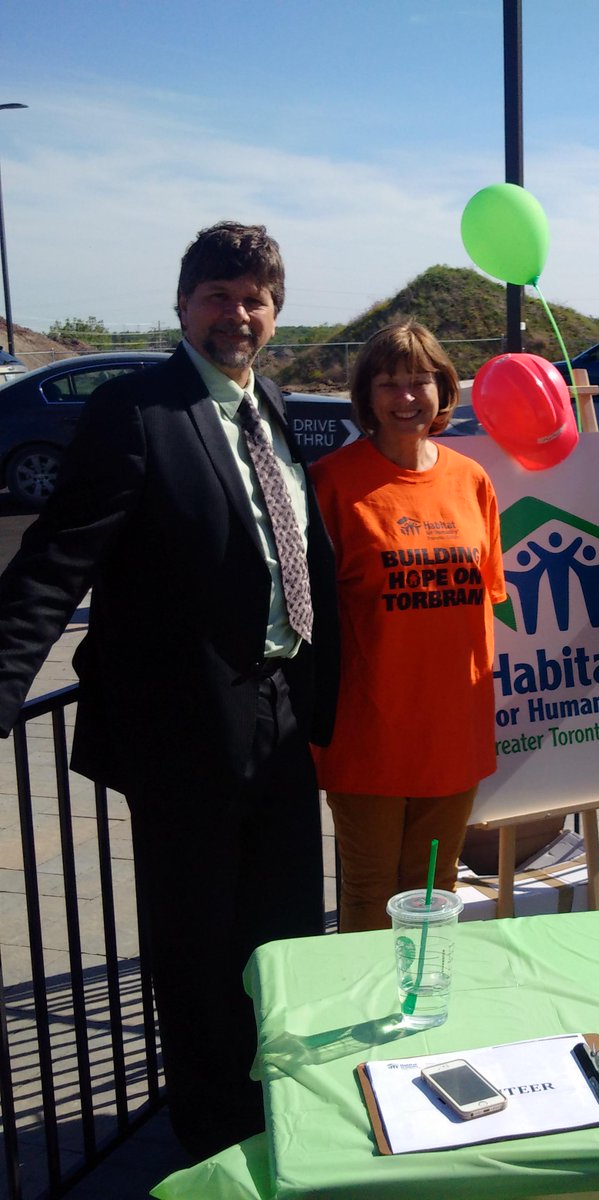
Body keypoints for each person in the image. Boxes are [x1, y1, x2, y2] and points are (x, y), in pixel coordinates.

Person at [0, 222, 340, 1160]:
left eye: (255, 297)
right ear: (183, 304)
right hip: (188, 727)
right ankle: (216, 1140)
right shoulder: (137, 410)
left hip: (277, 715)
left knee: (278, 931)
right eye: (219, 296)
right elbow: (56, 559)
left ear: (275, 310)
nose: (239, 313)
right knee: (197, 947)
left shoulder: (263, 399)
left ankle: (277, 1109)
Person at [311, 322, 506, 933]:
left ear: (442, 389)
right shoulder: (331, 483)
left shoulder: (471, 480)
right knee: (370, 893)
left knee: (433, 888)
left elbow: (486, 595)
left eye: (419, 381)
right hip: (367, 732)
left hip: (453, 730)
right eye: (389, 383)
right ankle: (365, 1015)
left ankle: (425, 1016)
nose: (405, 398)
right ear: (366, 397)